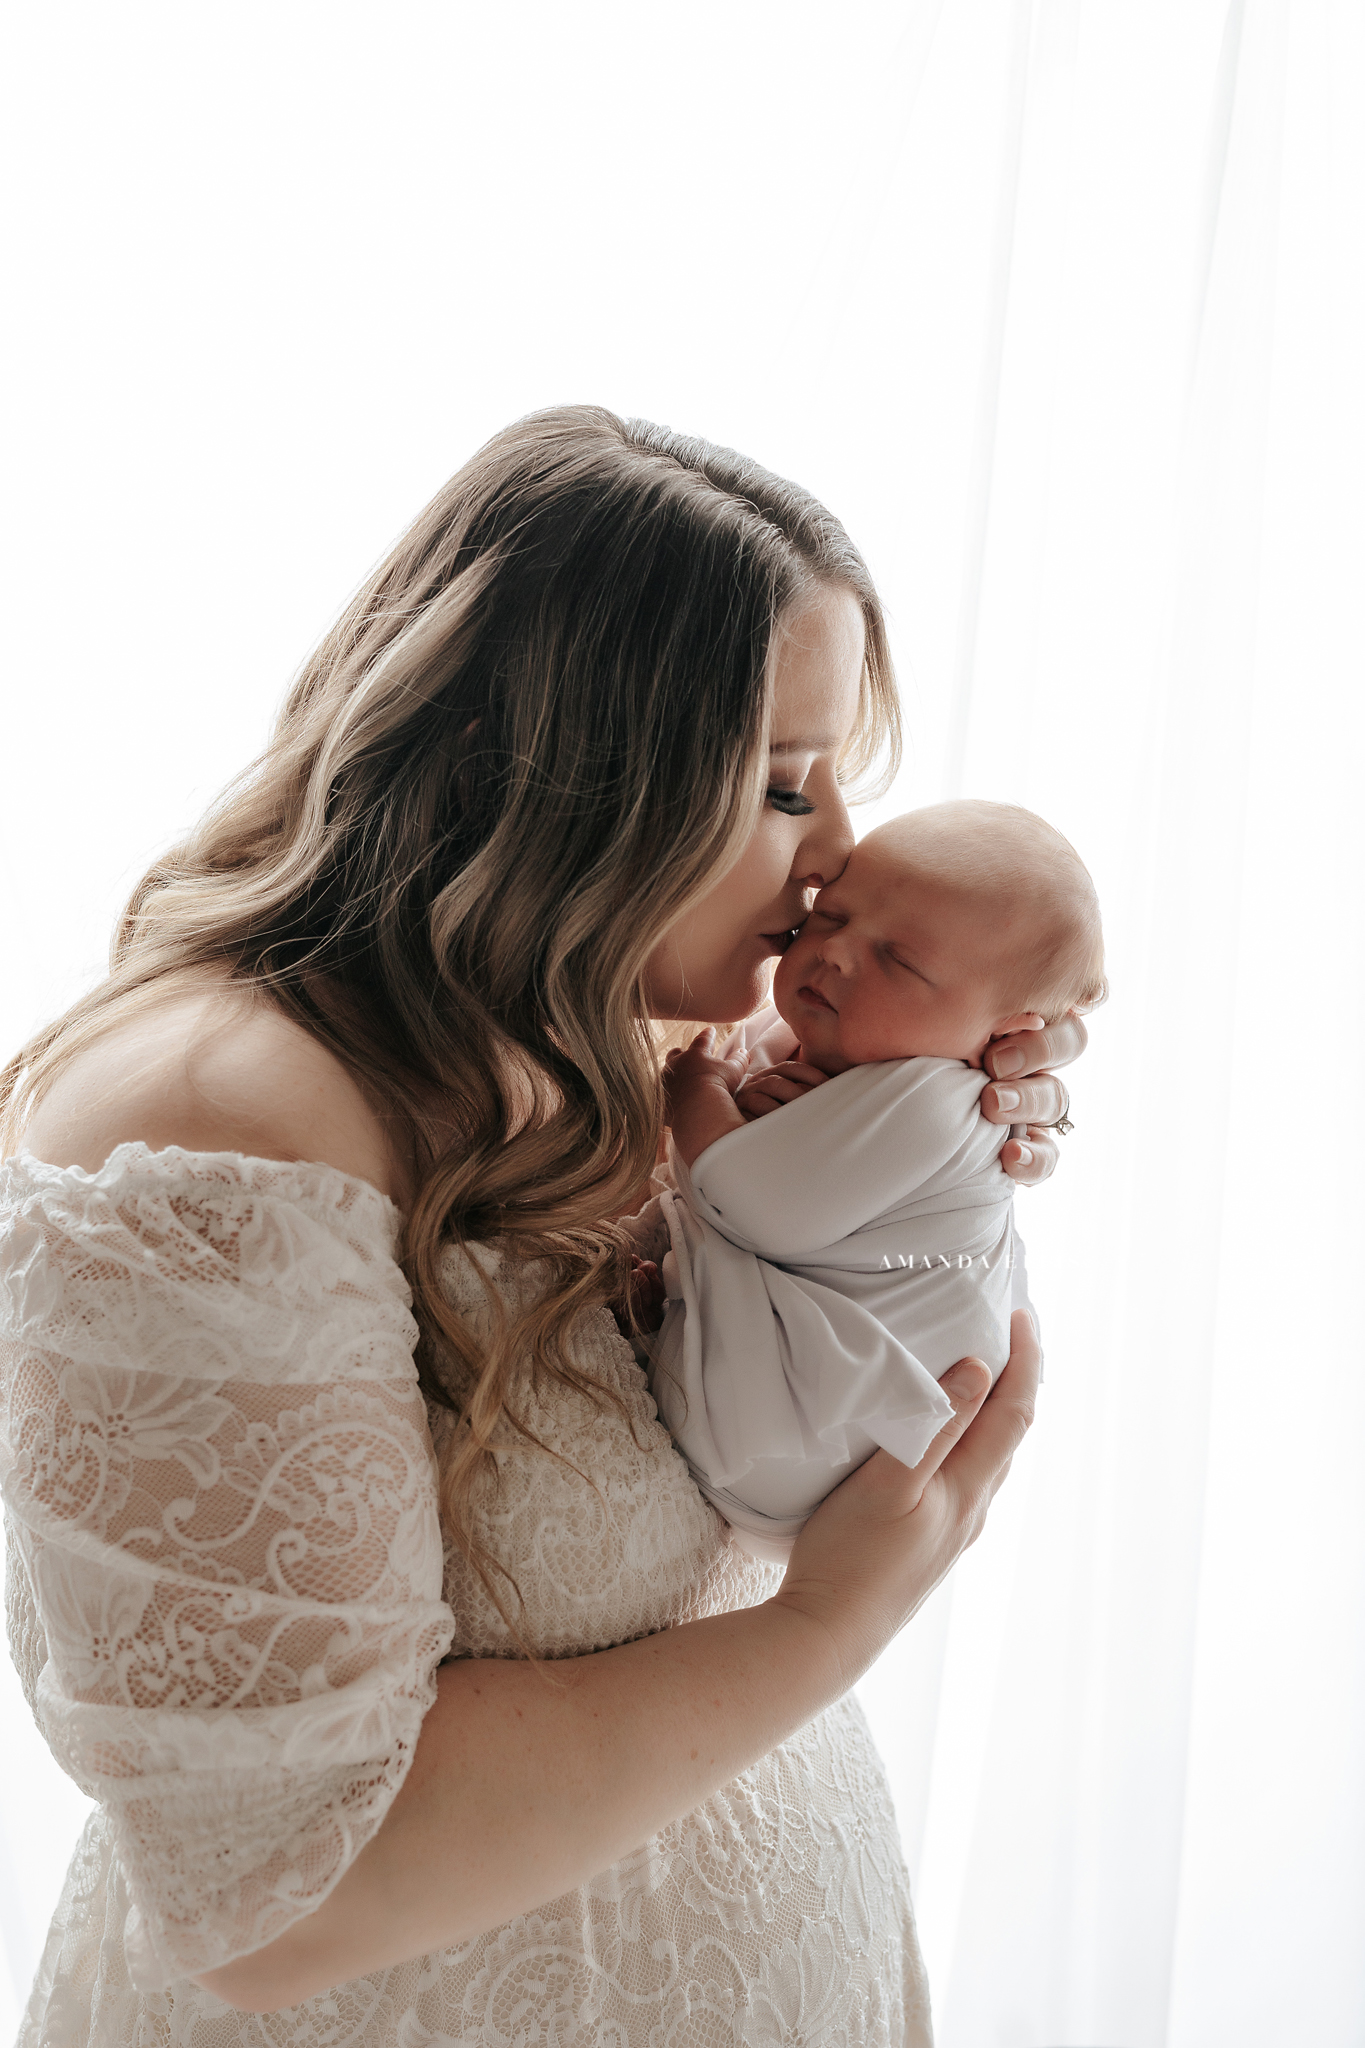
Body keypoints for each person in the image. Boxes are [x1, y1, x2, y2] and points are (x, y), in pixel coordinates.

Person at [0, 407, 1076, 2048]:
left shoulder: (621, 1041)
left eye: (844, 775)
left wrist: (933, 1118)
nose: (846, 850)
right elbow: (280, 1889)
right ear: (567, 773)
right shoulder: (220, 1132)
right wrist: (828, 1622)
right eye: (788, 784)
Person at [640, 801, 1103, 1560]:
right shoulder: (812, 1040)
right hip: (818, 1445)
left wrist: (695, 1096)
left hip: (812, 1440)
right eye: (831, 917)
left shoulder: (944, 1099)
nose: (838, 953)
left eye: (900, 960)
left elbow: (752, 1203)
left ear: (1008, 1034)